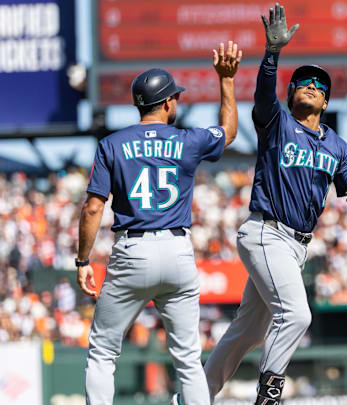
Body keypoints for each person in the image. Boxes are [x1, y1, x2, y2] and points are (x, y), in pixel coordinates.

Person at [202, 4, 347, 405]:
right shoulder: (277, 124)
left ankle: (193, 397)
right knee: (297, 315)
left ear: (327, 101)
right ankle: (270, 394)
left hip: (295, 247)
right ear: (291, 93)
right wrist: (272, 55)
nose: (312, 85)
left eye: (319, 84)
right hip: (267, 231)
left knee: (247, 332)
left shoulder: (337, 145)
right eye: (303, 82)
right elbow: (263, 96)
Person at [76, 41, 242, 405]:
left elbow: (92, 208)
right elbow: (228, 131)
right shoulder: (187, 140)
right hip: (177, 248)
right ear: (167, 103)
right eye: (175, 99)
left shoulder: (112, 144)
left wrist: (83, 260)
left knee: (103, 351)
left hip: (132, 249)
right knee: (187, 359)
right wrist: (226, 80)